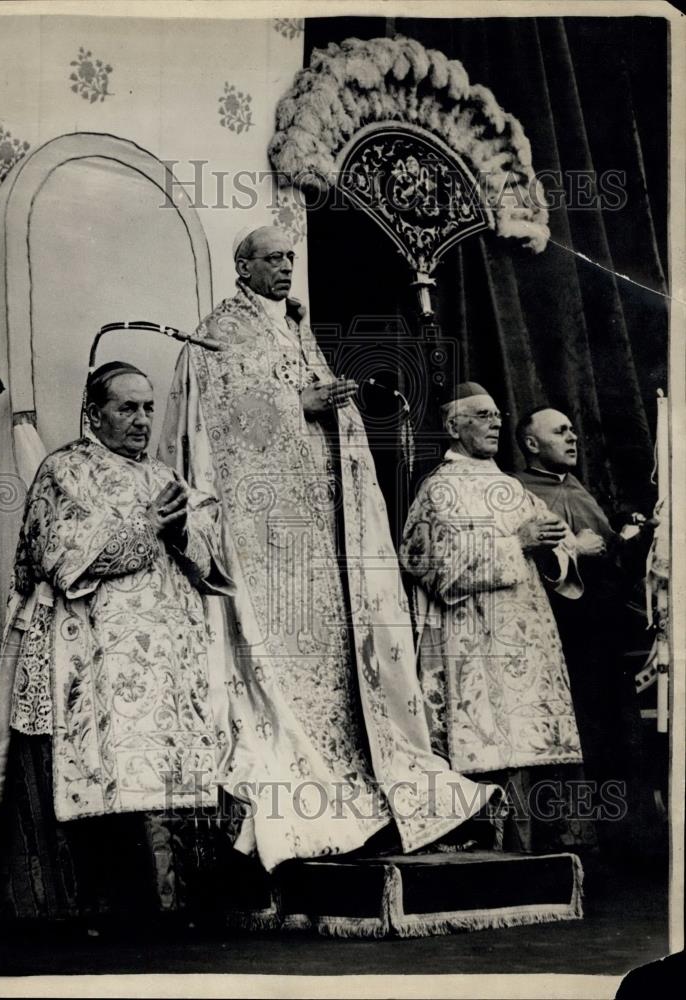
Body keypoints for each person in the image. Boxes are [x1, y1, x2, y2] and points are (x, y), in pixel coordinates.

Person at [159, 226, 497, 872]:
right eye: (273, 258)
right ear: (243, 265)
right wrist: (298, 405)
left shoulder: (296, 330)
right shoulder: (220, 336)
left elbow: (316, 405)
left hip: (322, 535)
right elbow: (223, 429)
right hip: (269, 544)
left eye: (291, 257)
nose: (287, 268)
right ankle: (317, 807)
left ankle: (364, 801)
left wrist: (330, 406)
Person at [0, 361, 233, 924]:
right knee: (104, 770)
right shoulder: (64, 472)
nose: (142, 420)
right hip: (90, 659)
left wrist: (178, 531)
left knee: (167, 769)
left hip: (166, 667)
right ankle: (100, 908)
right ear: (94, 414)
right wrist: (146, 527)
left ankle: (173, 905)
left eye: (148, 407)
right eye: (127, 408)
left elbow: (207, 561)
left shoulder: (162, 475)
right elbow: (61, 559)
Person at [399, 383, 588, 852]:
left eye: (497, 415)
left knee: (532, 736)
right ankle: (492, 847)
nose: (496, 423)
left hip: (527, 632)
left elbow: (555, 549)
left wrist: (556, 548)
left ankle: (546, 847)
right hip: (472, 638)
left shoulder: (510, 487)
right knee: (487, 737)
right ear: (452, 426)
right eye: (482, 416)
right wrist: (517, 543)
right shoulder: (438, 489)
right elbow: (429, 564)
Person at [514, 406, 655, 852]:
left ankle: (632, 840)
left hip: (603, 631)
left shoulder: (577, 489)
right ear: (532, 444)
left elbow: (611, 557)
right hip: (562, 635)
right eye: (560, 432)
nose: (573, 437)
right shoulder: (518, 491)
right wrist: (577, 548)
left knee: (620, 734)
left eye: (573, 430)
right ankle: (584, 844)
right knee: (584, 735)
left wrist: (636, 539)